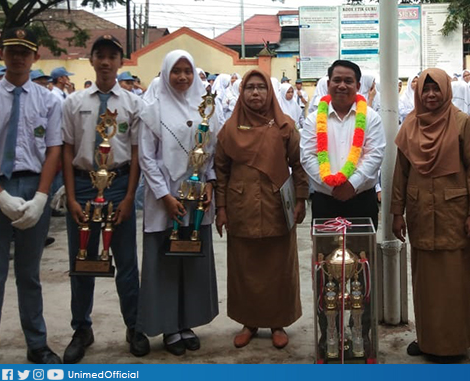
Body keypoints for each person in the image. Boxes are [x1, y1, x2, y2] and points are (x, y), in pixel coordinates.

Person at [0, 27, 62, 364]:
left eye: (25, 51)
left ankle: (37, 344)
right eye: (11, 50)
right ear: (1, 53)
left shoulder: (48, 99)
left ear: (36, 56)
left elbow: (53, 151)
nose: (18, 57)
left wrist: (42, 196)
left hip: (33, 184)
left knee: (29, 275)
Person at [60, 35, 150, 363]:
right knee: (82, 261)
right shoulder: (73, 102)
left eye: (113, 56)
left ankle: (134, 325)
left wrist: (130, 197)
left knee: (126, 262)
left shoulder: (132, 103)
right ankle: (81, 328)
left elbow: (138, 153)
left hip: (119, 185)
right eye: (101, 55)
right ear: (92, 60)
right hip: (84, 186)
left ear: (121, 62)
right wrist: (70, 197)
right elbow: (67, 150)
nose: (106, 62)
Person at [391, 68, 470, 363]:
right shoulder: (409, 124)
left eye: (436, 89)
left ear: (446, 90)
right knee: (424, 282)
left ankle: (454, 343)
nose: (431, 95)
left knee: (454, 282)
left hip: (454, 214)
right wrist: (397, 212)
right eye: (425, 90)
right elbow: (401, 172)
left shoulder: (461, 122)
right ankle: (428, 339)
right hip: (420, 213)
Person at [215, 69, 308, 350]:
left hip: (277, 205)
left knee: (278, 267)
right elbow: (220, 171)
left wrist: (301, 199)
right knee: (245, 268)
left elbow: (299, 165)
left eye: (261, 88)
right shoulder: (229, 130)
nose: (255, 93)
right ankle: (249, 322)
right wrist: (221, 208)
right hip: (240, 205)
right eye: (249, 88)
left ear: (270, 92)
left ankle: (277, 323)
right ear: (241, 93)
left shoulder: (285, 127)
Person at [138, 50, 220, 355]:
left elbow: (210, 150)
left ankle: (187, 322)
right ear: (165, 73)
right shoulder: (152, 106)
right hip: (166, 199)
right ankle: (169, 327)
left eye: (188, 70)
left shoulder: (206, 107)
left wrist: (210, 183)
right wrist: (165, 196)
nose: (183, 77)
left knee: (191, 259)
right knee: (165, 262)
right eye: (176, 71)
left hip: (197, 198)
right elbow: (146, 156)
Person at [300, 60, 385, 229]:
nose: (342, 86)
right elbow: (307, 156)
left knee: (363, 253)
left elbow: (375, 155)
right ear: (328, 83)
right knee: (325, 253)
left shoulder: (371, 117)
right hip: (325, 201)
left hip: (361, 200)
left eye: (348, 81)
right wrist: (332, 187)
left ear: (358, 85)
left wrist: (352, 185)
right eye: (337, 80)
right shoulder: (313, 119)